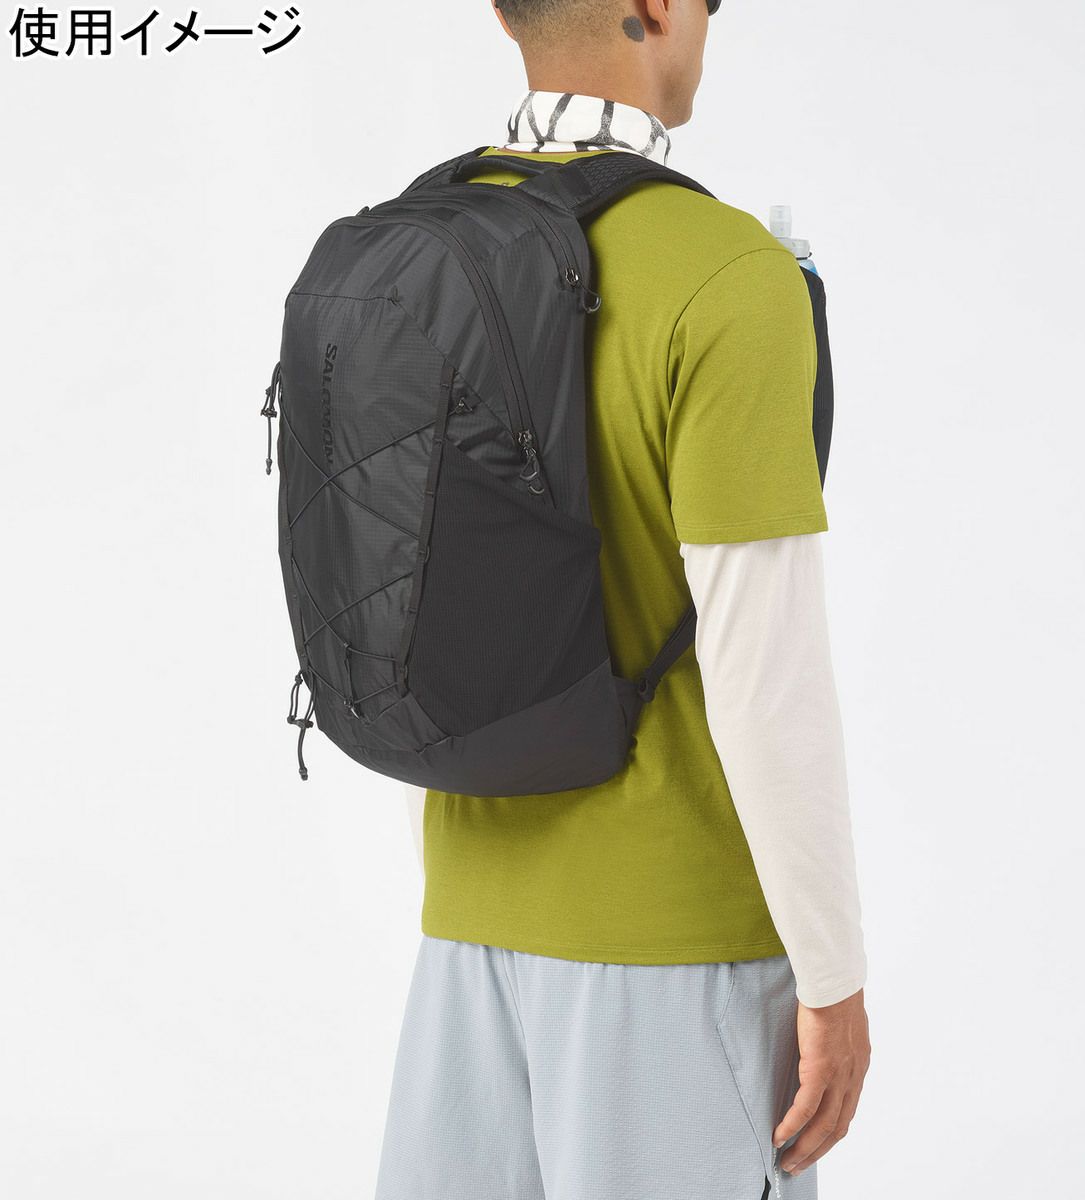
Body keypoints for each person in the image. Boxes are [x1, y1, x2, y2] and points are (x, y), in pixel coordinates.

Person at [377, 2, 871, 1196]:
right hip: (677, 949)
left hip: (467, 924)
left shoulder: (418, 245)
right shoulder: (726, 273)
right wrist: (833, 977)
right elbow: (766, 674)